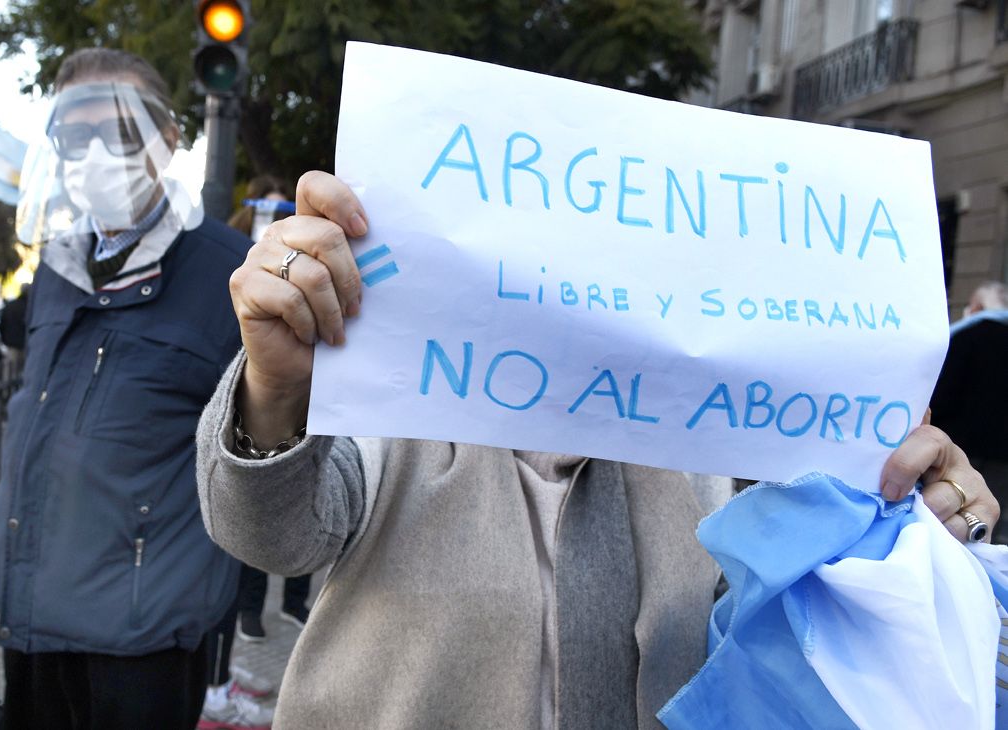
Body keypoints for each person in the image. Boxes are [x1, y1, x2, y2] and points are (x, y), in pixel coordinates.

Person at [195, 171, 1001, 728]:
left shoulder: (727, 434)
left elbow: (818, 645)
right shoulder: (395, 399)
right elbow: (268, 533)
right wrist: (277, 390)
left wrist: (915, 536)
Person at [0, 47, 249, 729]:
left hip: (142, 639)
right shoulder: (57, 268)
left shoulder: (231, 274)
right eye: (76, 135)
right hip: (32, 616)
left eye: (120, 131)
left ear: (168, 139)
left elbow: (268, 450)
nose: (95, 152)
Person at [226, 174, 313, 641]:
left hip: (306, 396)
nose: (272, 222)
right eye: (264, 210)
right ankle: (249, 608)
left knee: (306, 488)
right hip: (247, 389)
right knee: (254, 495)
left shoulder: (307, 262)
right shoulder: (231, 263)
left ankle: (296, 603)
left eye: (281, 214)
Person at [931, 279, 1008, 541]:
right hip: (1003, 453)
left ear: (975, 306)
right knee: (992, 516)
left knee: (955, 517)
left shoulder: (964, 337)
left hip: (961, 446)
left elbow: (943, 393)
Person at [0, 283, 29, 373]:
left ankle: (7, 387)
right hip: (24, 344)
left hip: (11, 343)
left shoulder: (11, 306)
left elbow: (2, 324)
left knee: (9, 371)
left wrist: (4, 340)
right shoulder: (29, 307)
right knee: (21, 372)